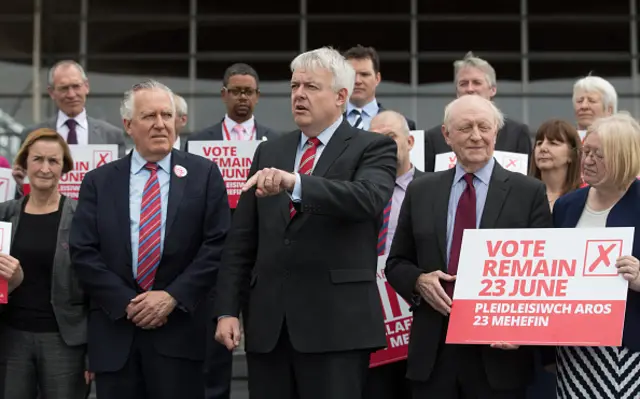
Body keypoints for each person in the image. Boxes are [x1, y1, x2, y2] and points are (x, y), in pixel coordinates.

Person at [213, 46, 397, 399]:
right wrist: (226, 310)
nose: (298, 95)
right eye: (294, 86)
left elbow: (367, 198)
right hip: (270, 328)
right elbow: (242, 240)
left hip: (337, 328)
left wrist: (295, 183)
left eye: (311, 87)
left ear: (341, 96)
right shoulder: (269, 151)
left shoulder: (373, 147)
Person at [69, 79, 231, 399]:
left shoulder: (205, 174)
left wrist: (171, 297)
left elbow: (218, 245)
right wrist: (128, 303)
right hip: (117, 336)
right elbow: (83, 251)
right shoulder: (99, 181)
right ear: (128, 125)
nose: (160, 124)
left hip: (181, 334)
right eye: (149, 116)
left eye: (167, 115)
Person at [385, 95, 552, 398]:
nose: (476, 136)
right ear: (447, 135)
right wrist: (419, 281)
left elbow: (545, 275)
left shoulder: (528, 192)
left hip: (499, 356)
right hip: (433, 354)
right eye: (465, 128)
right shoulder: (421, 190)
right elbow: (396, 262)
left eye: (483, 127)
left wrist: (523, 330)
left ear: (495, 134)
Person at [552, 112, 640, 398]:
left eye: (597, 155)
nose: (587, 160)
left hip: (629, 349)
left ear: (622, 158)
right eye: (585, 151)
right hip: (573, 349)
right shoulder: (567, 205)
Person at [0, 128, 89, 399]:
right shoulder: (5, 214)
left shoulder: (81, 218)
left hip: (64, 341)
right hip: (12, 337)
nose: (45, 168)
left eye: (54, 161)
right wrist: (11, 283)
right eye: (37, 159)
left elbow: (95, 288)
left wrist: (95, 351)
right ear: (25, 163)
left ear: (65, 168)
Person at [363, 110, 423, 399]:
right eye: (376, 140)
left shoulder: (432, 188)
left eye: (391, 138)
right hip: (371, 316)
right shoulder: (358, 191)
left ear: (410, 141)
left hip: (419, 314)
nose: (384, 145)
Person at [14, 60, 126, 190]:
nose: (71, 94)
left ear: (86, 87)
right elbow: (22, 192)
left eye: (76, 86)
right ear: (51, 93)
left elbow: (121, 185)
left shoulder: (111, 136)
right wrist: (20, 185)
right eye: (64, 88)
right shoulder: (31, 135)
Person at [423, 52, 531, 172]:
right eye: (463, 84)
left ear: (493, 90)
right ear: (457, 91)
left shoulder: (517, 134)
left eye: (476, 82)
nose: (470, 89)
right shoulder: (434, 137)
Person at [184, 63, 277, 152]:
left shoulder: (276, 141)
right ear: (224, 94)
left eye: (249, 92)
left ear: (257, 96)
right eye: (236, 91)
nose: (243, 97)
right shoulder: (198, 142)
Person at [343, 45, 416, 131]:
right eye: (352, 75)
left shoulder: (404, 126)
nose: (357, 81)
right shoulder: (327, 122)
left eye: (364, 74)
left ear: (377, 78)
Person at [529, 119, 583, 210]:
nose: (542, 148)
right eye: (539, 143)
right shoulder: (522, 195)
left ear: (571, 155)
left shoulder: (585, 197)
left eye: (553, 143)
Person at [572, 75, 617, 141]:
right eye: (579, 101)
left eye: (592, 101)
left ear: (609, 110)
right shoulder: (564, 141)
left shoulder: (620, 141)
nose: (584, 106)